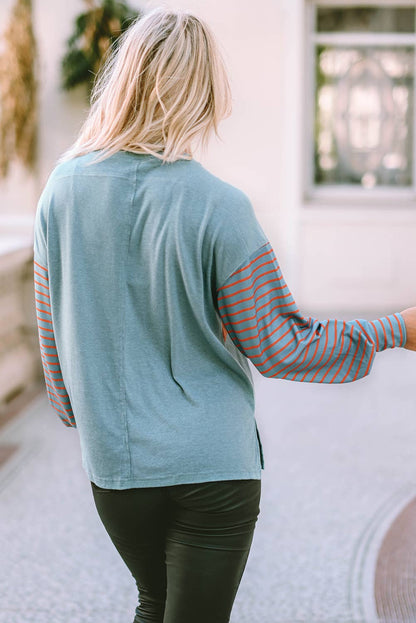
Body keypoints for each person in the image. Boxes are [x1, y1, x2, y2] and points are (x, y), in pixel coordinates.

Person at [32, 7, 416, 623]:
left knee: (153, 603)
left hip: (115, 471)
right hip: (212, 469)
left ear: (125, 79)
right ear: (204, 93)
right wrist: (396, 329)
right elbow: (278, 345)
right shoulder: (220, 207)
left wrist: (87, 414)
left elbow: (53, 350)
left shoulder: (61, 192)